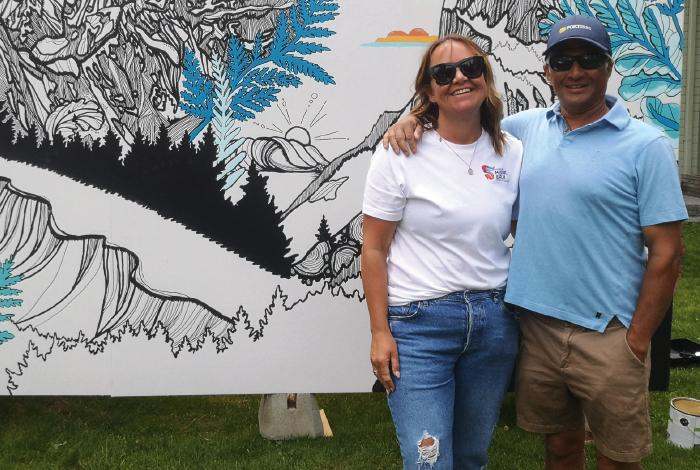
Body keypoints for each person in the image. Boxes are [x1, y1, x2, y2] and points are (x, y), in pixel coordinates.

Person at [382, 15, 687, 470]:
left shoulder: (647, 146)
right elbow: (462, 112)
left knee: (618, 458)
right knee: (560, 447)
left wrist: (638, 339)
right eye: (562, 61)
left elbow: (668, 252)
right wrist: (410, 119)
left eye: (588, 60)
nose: (575, 71)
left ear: (608, 67)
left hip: (610, 332)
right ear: (548, 70)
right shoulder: (524, 131)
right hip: (538, 330)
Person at [361, 35, 523, 469]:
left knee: (471, 457)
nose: (458, 78)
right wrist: (380, 331)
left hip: (493, 322)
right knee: (428, 461)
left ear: (485, 77)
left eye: (470, 67)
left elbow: (521, 227)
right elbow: (374, 248)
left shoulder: (514, 151)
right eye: (443, 73)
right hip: (419, 328)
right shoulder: (399, 151)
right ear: (429, 90)